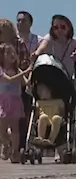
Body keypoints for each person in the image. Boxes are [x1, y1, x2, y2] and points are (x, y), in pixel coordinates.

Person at [0, 42, 32, 163]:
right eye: (8, 52)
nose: (12, 54)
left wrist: (30, 72)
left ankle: (15, 152)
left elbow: (25, 83)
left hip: (15, 100)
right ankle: (7, 144)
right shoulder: (1, 69)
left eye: (13, 52)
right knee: (2, 130)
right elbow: (10, 79)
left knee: (15, 128)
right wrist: (25, 71)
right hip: (3, 101)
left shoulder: (16, 69)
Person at [16, 12, 40, 154]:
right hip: (14, 81)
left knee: (28, 113)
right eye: (18, 20)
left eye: (23, 20)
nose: (20, 23)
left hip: (32, 80)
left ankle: (26, 145)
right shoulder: (12, 40)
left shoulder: (38, 40)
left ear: (30, 23)